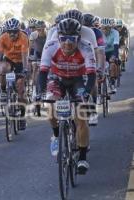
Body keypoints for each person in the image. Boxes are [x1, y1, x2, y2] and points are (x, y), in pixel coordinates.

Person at [37, 18, 96, 174]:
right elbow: (42, 72)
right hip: (58, 78)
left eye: (72, 39)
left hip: (79, 79)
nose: (67, 43)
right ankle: (56, 136)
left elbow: (91, 75)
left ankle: (82, 157)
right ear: (58, 38)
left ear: (79, 38)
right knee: (50, 107)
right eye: (63, 38)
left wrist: (87, 94)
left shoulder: (86, 47)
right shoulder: (50, 46)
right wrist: (39, 92)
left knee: (81, 116)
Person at [0, 17, 29, 130]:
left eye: (14, 32)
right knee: (3, 68)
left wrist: (25, 69)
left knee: (20, 88)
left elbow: (25, 56)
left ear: (18, 31)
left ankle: (22, 116)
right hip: (9, 59)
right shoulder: (3, 38)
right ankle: (4, 90)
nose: (12, 34)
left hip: (20, 62)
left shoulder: (24, 38)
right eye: (10, 32)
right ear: (7, 31)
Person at [100, 18, 120, 94]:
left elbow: (116, 45)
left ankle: (112, 83)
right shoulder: (99, 33)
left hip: (112, 51)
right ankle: (98, 87)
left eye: (107, 28)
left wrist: (114, 56)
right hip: (101, 52)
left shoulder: (115, 33)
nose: (105, 30)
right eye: (103, 28)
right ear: (101, 27)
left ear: (110, 28)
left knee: (112, 63)